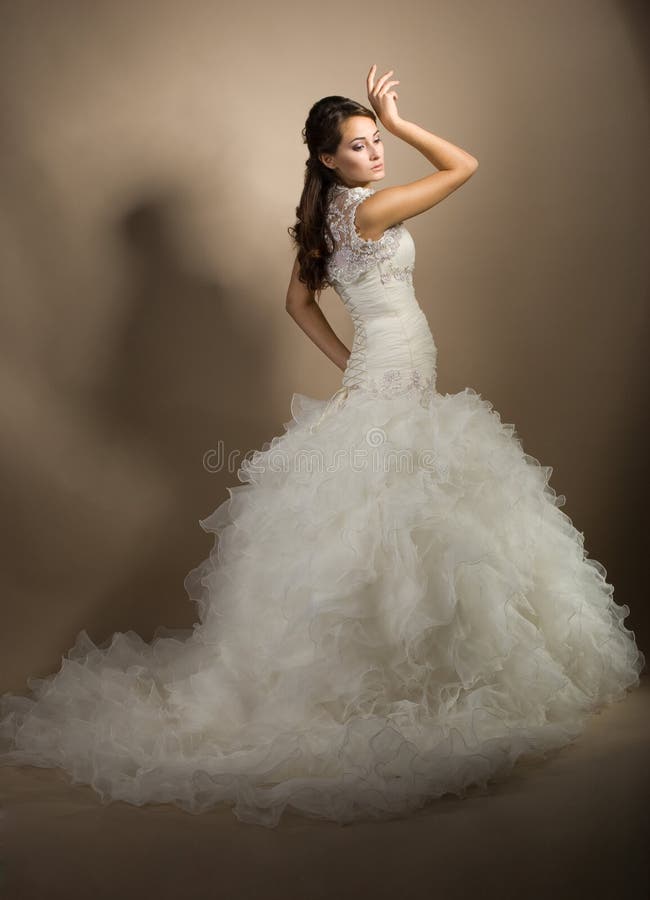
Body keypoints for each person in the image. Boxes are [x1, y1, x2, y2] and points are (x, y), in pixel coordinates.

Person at [0, 66, 645, 829]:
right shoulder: (369, 211)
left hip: (387, 376)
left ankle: (400, 676)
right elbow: (464, 166)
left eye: (378, 142)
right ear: (329, 159)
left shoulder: (326, 218)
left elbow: (295, 300)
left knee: (396, 526)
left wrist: (352, 365)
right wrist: (404, 122)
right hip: (395, 383)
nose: (376, 153)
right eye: (362, 145)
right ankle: (395, 694)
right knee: (401, 525)